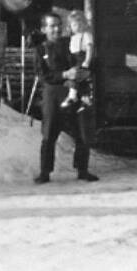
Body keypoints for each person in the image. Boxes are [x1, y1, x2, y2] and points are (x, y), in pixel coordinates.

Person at [33, 13, 99, 184]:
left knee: (82, 130)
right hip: (53, 93)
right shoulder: (40, 49)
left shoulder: (71, 43)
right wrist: (64, 74)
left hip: (75, 89)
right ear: (44, 29)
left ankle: (82, 170)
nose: (56, 29)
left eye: (59, 25)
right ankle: (45, 172)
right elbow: (43, 75)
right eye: (52, 26)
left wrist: (84, 71)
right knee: (49, 134)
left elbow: (88, 60)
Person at [61, 10, 94, 109]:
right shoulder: (73, 37)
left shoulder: (86, 35)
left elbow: (89, 48)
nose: (77, 27)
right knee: (76, 79)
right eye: (74, 25)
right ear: (70, 26)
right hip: (74, 60)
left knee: (76, 77)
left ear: (84, 24)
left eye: (79, 24)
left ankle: (72, 96)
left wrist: (87, 61)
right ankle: (85, 99)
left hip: (82, 59)